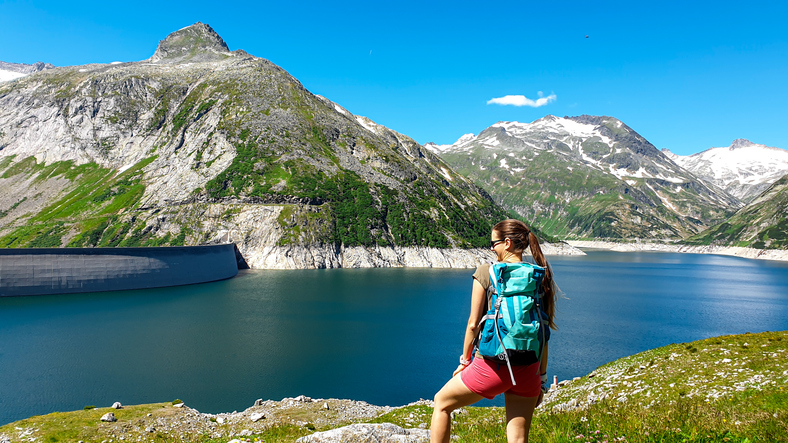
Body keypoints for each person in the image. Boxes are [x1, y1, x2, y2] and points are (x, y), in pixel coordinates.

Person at [430, 219, 558, 443]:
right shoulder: (538, 276)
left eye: (493, 243)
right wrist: (541, 380)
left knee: (441, 403)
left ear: (507, 243)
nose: (491, 248)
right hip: (529, 369)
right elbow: (543, 333)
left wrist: (464, 361)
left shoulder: (487, 271)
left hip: (492, 367)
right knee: (518, 438)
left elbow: (473, 324)